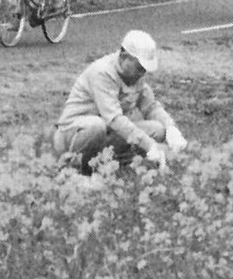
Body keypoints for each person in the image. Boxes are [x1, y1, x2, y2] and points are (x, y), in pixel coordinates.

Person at [53, 30, 188, 175]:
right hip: (74, 133)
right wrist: (149, 145)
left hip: (106, 133)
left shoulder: (135, 76)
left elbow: (151, 107)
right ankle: (71, 168)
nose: (142, 73)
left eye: (144, 69)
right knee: (96, 126)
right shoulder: (102, 73)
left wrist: (171, 128)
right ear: (124, 56)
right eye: (139, 68)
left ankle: (108, 164)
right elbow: (114, 119)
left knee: (157, 129)